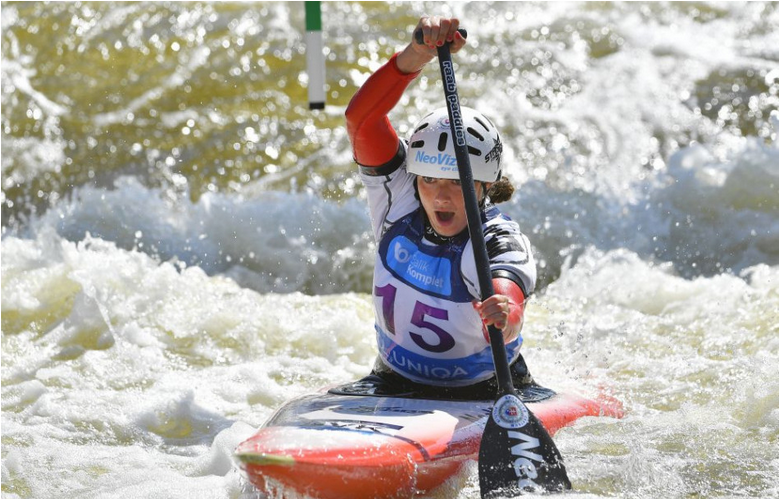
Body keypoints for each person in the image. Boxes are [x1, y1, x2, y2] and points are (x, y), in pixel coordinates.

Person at [343, 15, 538, 400]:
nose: (441, 196)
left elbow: (509, 294)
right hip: (391, 379)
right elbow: (361, 120)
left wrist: (506, 312)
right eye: (429, 180)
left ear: (483, 186)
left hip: (484, 392)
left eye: (456, 183)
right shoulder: (397, 196)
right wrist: (414, 55)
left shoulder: (497, 239)